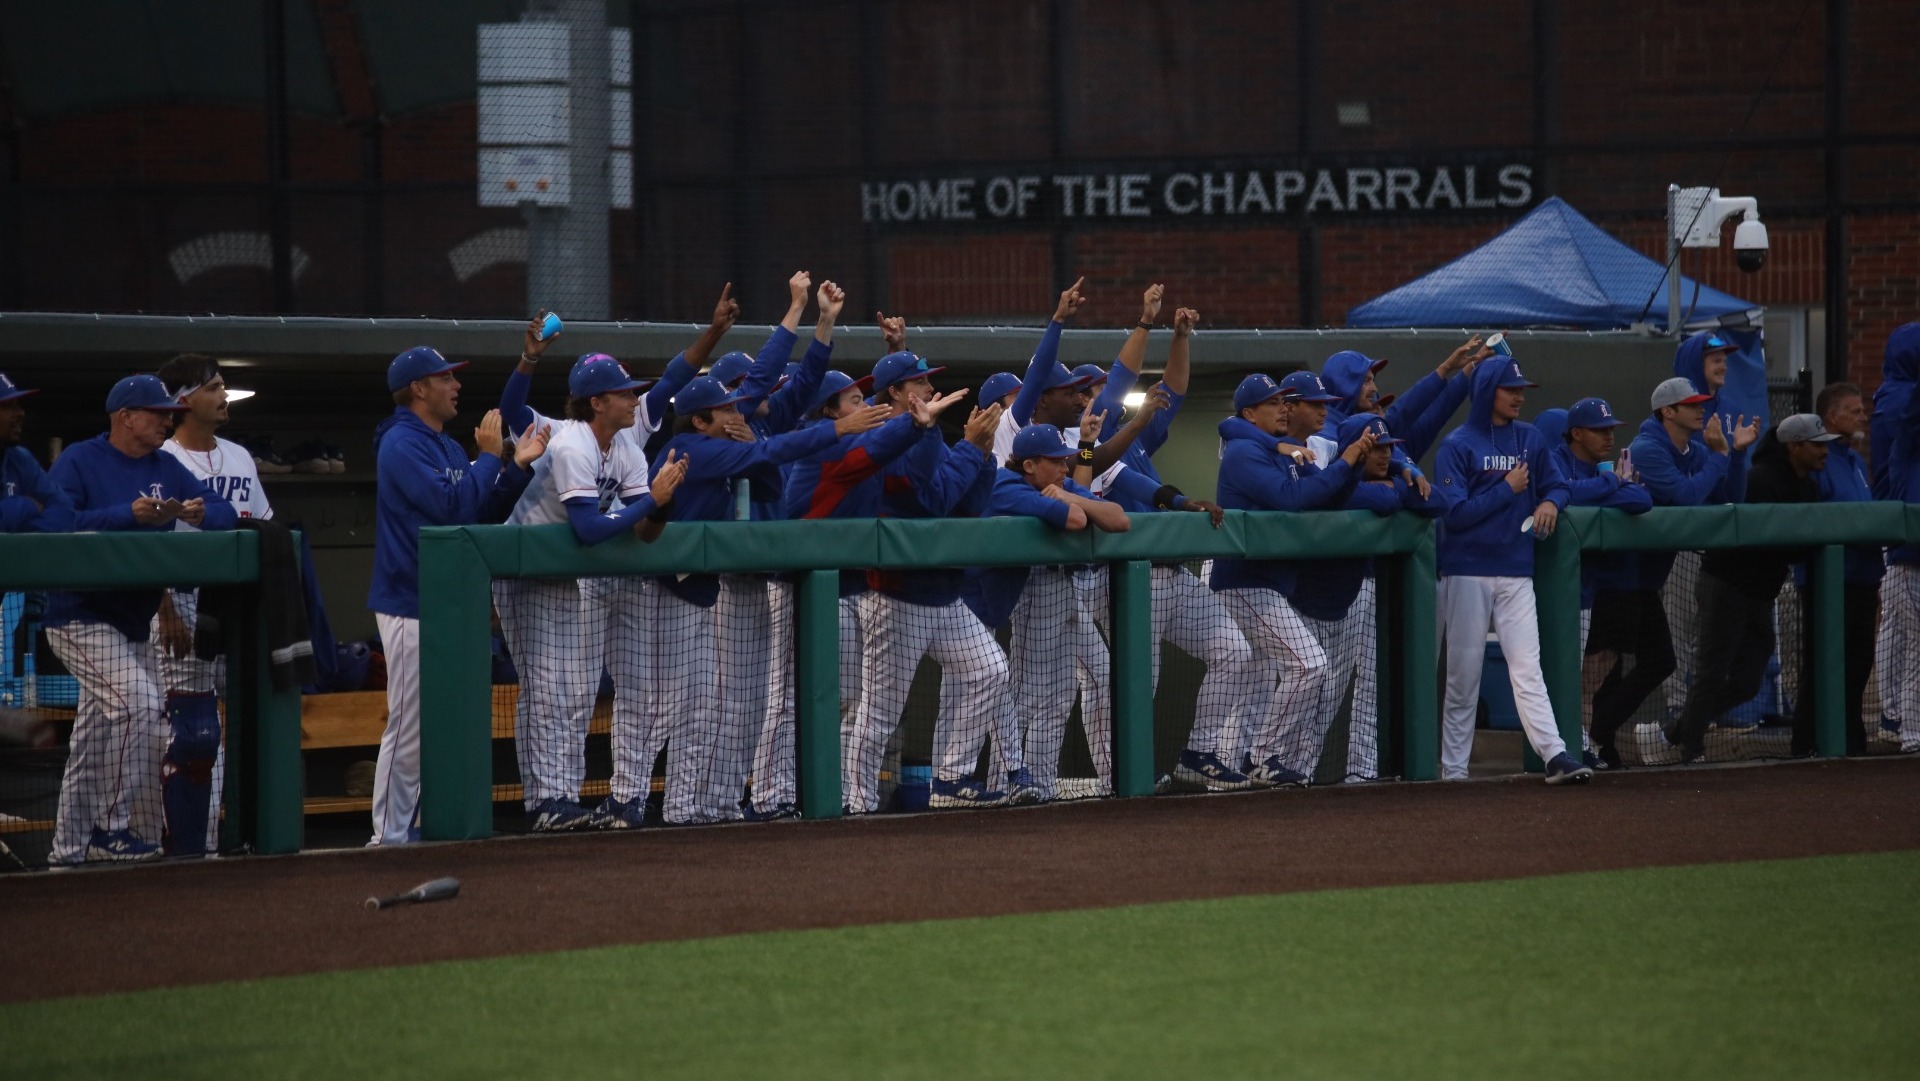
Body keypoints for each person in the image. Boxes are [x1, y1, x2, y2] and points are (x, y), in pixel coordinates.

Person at [648, 369, 888, 823]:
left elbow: (770, 485)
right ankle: (670, 804)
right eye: (724, 408)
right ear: (700, 421)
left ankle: (709, 803)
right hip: (652, 584)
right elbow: (775, 450)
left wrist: (748, 451)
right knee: (675, 705)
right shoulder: (693, 448)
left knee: (723, 701)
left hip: (696, 583)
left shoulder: (720, 446)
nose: (736, 411)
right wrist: (835, 429)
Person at [492, 317, 693, 833]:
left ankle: (557, 799)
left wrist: (661, 502)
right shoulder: (570, 442)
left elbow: (641, 527)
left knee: (572, 688)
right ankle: (546, 802)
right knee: (549, 688)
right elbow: (586, 529)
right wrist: (529, 358)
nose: (634, 399)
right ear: (597, 402)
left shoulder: (624, 448)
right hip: (522, 567)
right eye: (624, 393)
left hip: (562, 574)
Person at [750, 371, 969, 820]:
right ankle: (770, 798)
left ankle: (837, 793)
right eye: (854, 400)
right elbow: (880, 445)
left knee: (846, 697)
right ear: (830, 411)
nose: (867, 404)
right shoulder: (822, 439)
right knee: (788, 696)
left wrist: (924, 427)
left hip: (848, 583)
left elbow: (921, 475)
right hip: (799, 582)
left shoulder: (864, 443)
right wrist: (916, 422)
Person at [43, 375, 237, 864]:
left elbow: (226, 514)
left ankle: (66, 851)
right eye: (156, 412)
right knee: (139, 706)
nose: (167, 419)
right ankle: (110, 828)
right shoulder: (80, 461)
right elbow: (58, 526)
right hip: (79, 615)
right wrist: (125, 514)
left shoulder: (166, 466)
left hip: (132, 621)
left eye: (169, 411)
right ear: (125, 416)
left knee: (94, 741)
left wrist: (196, 513)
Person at [368, 344, 548, 846]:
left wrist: (515, 468)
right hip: (410, 599)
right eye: (445, 378)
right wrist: (490, 457)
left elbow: (481, 512)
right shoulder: (401, 442)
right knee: (409, 727)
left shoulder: (445, 444)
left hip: (450, 600)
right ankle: (386, 837)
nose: (457, 386)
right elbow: (450, 507)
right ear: (419, 389)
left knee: (442, 725)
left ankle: (420, 824)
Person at [1075, 303, 1254, 792]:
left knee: (1234, 651)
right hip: (1130, 578)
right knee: (1134, 683)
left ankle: (1198, 752)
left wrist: (1180, 337)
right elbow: (1130, 484)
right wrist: (1178, 499)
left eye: (1094, 389)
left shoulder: (1130, 438)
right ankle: (1120, 775)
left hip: (1173, 575)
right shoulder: (1084, 450)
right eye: (1087, 393)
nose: (1097, 397)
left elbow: (1174, 390)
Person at [845, 351, 1009, 813]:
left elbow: (967, 505)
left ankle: (952, 776)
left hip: (943, 593)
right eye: (915, 381)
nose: (925, 386)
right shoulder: (882, 438)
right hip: (896, 595)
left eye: (926, 379)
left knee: (990, 670)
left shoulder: (933, 435)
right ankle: (854, 801)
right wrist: (971, 449)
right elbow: (933, 500)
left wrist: (983, 456)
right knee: (880, 711)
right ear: (894, 393)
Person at [1432, 358, 1589, 784]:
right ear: (1487, 391)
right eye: (1510, 388)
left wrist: (1550, 502)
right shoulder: (1457, 444)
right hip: (1466, 571)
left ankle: (1555, 754)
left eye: (1521, 388)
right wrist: (1507, 490)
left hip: (1517, 569)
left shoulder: (1530, 438)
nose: (1519, 395)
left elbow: (1558, 483)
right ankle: (1454, 771)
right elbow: (1455, 514)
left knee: (1527, 668)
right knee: (1464, 676)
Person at [1213, 373, 1373, 786]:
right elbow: (1293, 499)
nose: (1283, 408)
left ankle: (1250, 761)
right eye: (1273, 403)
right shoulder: (1245, 452)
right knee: (1307, 665)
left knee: (1269, 676)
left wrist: (1350, 469)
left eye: (1284, 401)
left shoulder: (1281, 450)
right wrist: (1345, 462)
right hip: (1244, 581)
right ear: (1249, 413)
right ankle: (1258, 757)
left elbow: (1321, 494)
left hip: (1270, 583)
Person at [148, 354, 275, 855]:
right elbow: (145, 546)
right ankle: (183, 848)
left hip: (240, 609)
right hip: (183, 603)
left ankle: (240, 840)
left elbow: (266, 527)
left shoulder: (240, 457)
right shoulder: (164, 460)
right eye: (214, 387)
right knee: (194, 733)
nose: (224, 395)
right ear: (182, 402)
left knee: (252, 723)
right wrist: (165, 609)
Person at [1287, 413, 1448, 782]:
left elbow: (1439, 501)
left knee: (1348, 689)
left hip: (1351, 596)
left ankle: (1345, 771)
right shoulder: (1334, 481)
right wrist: (1389, 492)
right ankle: (1284, 767)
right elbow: (1355, 496)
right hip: (1302, 601)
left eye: (1388, 448)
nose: (1382, 455)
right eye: (1375, 447)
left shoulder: (1392, 478)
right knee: (1303, 689)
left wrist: (1404, 476)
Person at [1670, 415, 1839, 763]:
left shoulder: (1808, 485)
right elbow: (1769, 542)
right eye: (1817, 444)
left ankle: (1683, 727)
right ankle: (1691, 747)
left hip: (1761, 590)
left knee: (1748, 680)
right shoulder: (1763, 479)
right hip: (1728, 582)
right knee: (1713, 670)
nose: (1825, 451)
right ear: (1794, 446)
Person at [1613, 376, 1758, 763]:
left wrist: (1736, 455)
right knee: (1606, 664)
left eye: (1701, 403)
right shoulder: (1648, 448)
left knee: (1654, 662)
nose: (1701, 409)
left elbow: (1729, 500)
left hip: (1645, 580)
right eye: (1692, 404)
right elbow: (1686, 499)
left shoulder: (1692, 450)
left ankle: (1602, 736)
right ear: (1667, 411)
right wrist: (1720, 457)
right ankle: (1597, 738)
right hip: (1616, 578)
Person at [988, 424, 1131, 801]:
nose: (1066, 469)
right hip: (1029, 589)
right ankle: (1001, 786)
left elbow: (1119, 519)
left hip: (1064, 590)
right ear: (1031, 465)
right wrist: (1073, 505)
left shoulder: (1061, 485)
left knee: (1073, 688)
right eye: (1056, 462)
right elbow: (1078, 522)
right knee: (1025, 694)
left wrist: (1074, 497)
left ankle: (1044, 783)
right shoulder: (1007, 483)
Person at [1532, 398, 1653, 769]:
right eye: (1600, 430)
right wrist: (1609, 482)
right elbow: (1559, 492)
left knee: (1580, 674)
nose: (1609, 436)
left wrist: (1605, 484)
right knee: (1543, 674)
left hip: (1584, 588)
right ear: (1577, 433)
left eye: (1611, 428)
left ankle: (1576, 744)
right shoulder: (1555, 459)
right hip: (1541, 586)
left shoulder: (1600, 467)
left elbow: (1641, 499)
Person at [1790, 382, 1880, 756]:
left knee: (1858, 665)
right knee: (1823, 664)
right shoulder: (1820, 460)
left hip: (1862, 578)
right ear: (1831, 416)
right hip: (1827, 582)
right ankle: (1808, 744)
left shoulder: (1855, 459)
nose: (1863, 416)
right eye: (1854, 410)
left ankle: (1849, 741)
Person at [1870, 323, 1920, 754]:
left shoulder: (1893, 392)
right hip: (1896, 520)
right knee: (1902, 627)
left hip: (1894, 516)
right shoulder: (1901, 398)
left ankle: (1896, 714)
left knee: (1900, 626)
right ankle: (1895, 715)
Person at [0, 372, 71, 534]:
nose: (20, 413)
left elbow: (65, 513)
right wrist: (27, 505)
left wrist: (19, 532)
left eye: (17, 405)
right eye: (8, 406)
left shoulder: (20, 458)